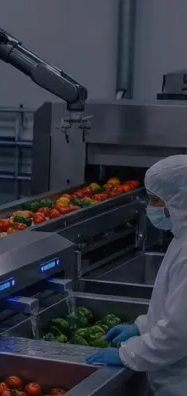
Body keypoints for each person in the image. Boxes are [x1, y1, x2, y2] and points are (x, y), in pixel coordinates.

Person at [86, 154, 187, 395]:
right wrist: (143, 327)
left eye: (155, 200)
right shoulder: (181, 238)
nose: (151, 207)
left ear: (179, 200)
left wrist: (126, 354)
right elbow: (172, 309)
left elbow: (178, 333)